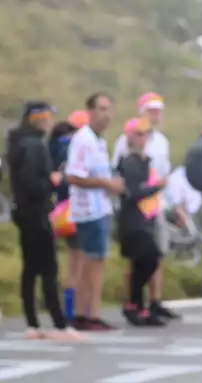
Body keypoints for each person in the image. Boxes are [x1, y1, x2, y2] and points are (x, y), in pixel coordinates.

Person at [7, 102, 83, 340]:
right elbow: (32, 183)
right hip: (36, 212)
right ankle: (60, 325)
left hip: (22, 211)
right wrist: (52, 181)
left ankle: (33, 323)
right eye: (48, 117)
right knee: (48, 268)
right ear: (39, 119)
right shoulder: (33, 146)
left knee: (31, 268)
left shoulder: (18, 142)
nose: (51, 122)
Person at [112, 92, 179, 321]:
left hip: (155, 205)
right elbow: (122, 179)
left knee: (156, 254)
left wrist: (171, 202)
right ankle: (134, 302)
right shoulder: (124, 143)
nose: (156, 114)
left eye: (158, 110)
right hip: (136, 208)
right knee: (139, 257)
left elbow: (163, 175)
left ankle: (154, 302)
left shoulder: (161, 141)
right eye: (151, 110)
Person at [65, 92, 124, 331]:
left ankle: (88, 313)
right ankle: (86, 314)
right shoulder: (84, 139)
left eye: (109, 109)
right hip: (88, 210)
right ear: (90, 111)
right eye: (101, 109)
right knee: (91, 262)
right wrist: (106, 184)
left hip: (101, 207)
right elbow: (74, 175)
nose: (106, 114)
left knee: (97, 261)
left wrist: (111, 185)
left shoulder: (100, 141)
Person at [116, 117, 167, 326]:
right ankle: (133, 304)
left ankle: (138, 305)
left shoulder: (145, 161)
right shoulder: (128, 162)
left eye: (146, 133)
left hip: (146, 218)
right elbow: (133, 193)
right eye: (138, 133)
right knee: (148, 259)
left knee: (146, 262)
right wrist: (157, 187)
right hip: (133, 220)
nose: (143, 138)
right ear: (129, 137)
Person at [48, 110, 89, 324]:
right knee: (78, 259)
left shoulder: (53, 144)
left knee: (63, 261)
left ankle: (65, 306)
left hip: (56, 211)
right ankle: (72, 310)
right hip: (75, 209)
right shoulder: (76, 146)